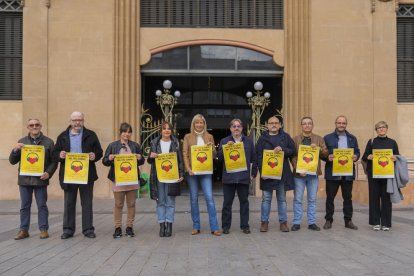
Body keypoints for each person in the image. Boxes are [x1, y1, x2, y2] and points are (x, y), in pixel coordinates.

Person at [53, 111, 103, 239]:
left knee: (87, 203)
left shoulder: (91, 135)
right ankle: (68, 230)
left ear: (83, 121)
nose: (77, 122)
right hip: (69, 175)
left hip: (86, 174)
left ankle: (88, 230)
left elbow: (99, 151)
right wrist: (60, 155)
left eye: (80, 120)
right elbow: (54, 153)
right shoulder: (62, 136)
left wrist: (94, 156)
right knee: (69, 203)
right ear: (70, 121)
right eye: (75, 120)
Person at [9, 118, 58, 240]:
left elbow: (54, 161)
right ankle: (23, 230)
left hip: (41, 179)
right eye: (31, 125)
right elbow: (12, 161)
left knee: (42, 205)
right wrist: (15, 150)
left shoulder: (49, 142)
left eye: (37, 124)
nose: (34, 127)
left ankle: (43, 229)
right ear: (28, 127)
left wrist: (48, 172)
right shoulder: (22, 142)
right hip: (25, 180)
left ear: (41, 126)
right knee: (24, 205)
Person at [102, 122, 145, 238]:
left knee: (131, 204)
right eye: (124, 131)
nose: (127, 134)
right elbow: (104, 161)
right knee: (118, 204)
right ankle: (117, 227)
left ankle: (129, 227)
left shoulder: (135, 145)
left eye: (129, 132)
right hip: (118, 179)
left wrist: (140, 158)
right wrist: (109, 158)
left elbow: (141, 161)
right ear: (120, 132)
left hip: (132, 179)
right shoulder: (113, 145)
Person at [182, 114, 221, 236]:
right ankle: (196, 226)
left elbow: (214, 155)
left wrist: (212, 148)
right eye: (197, 123)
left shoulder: (209, 136)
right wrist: (188, 169)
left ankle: (214, 227)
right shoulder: (188, 137)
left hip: (206, 172)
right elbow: (185, 154)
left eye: (201, 123)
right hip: (192, 172)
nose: (199, 125)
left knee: (209, 198)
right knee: (194, 199)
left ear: (204, 124)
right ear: (193, 124)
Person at [256, 116, 296, 233]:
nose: (273, 124)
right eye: (271, 123)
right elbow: (258, 155)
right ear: (267, 125)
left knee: (282, 200)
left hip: (282, 174)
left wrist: (283, 149)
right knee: (266, 199)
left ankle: (283, 223)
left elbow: (293, 150)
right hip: (267, 174)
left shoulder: (286, 137)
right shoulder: (262, 138)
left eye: (276, 123)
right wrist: (261, 171)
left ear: (280, 125)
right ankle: (264, 222)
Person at [217, 119, 257, 234]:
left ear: (242, 128)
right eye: (234, 126)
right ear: (230, 128)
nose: (236, 128)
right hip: (229, 178)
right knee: (227, 203)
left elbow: (254, 159)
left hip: (244, 177)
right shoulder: (224, 141)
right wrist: (225, 149)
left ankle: (245, 226)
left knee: (244, 202)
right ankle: (225, 226)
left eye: (238, 126)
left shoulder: (248, 141)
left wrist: (253, 173)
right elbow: (219, 159)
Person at [290, 117, 328, 231]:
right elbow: (292, 156)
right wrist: (298, 169)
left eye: (309, 123)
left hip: (313, 174)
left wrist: (319, 149)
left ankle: (312, 222)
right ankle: (296, 222)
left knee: (312, 199)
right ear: (301, 125)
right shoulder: (295, 139)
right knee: (298, 199)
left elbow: (326, 153)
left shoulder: (319, 139)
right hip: (299, 175)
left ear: (312, 125)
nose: (307, 125)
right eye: (304, 124)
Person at [147, 121, 184, 237]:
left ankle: (169, 225)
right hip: (158, 177)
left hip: (172, 176)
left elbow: (179, 159)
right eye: (164, 128)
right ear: (161, 131)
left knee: (170, 202)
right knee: (160, 201)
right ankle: (162, 225)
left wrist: (181, 173)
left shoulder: (176, 142)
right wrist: (150, 156)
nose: (166, 130)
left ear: (171, 131)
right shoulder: (154, 142)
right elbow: (149, 161)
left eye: (169, 129)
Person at [323, 115, 360, 230]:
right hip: (332, 173)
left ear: (346, 124)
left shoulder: (352, 138)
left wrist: (356, 156)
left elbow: (357, 152)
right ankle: (328, 220)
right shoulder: (327, 137)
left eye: (343, 123)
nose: (341, 125)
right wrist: (327, 157)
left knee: (348, 198)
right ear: (335, 123)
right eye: (339, 123)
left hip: (347, 174)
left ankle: (348, 221)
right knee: (330, 198)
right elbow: (323, 154)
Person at [362, 121, 399, 231]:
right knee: (374, 198)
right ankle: (376, 222)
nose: (381, 129)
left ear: (387, 128)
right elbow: (364, 156)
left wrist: (395, 158)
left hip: (387, 175)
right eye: (378, 128)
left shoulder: (392, 142)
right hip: (374, 175)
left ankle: (386, 223)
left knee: (387, 199)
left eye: (383, 127)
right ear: (376, 130)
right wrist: (368, 157)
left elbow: (398, 156)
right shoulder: (372, 141)